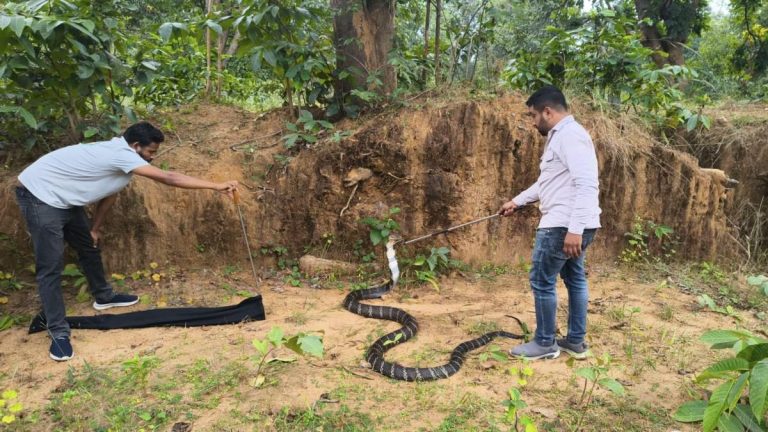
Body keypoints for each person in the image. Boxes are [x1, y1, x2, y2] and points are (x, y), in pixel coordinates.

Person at [15, 121, 239, 361]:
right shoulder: (121, 155)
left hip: (65, 198)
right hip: (40, 196)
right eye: (151, 151)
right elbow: (169, 178)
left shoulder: (124, 162)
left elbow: (109, 194)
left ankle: (104, 297)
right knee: (50, 267)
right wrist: (215, 186)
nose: (153, 157)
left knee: (88, 244)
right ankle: (58, 332)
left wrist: (95, 228)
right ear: (136, 146)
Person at [499, 86, 601, 360]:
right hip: (570, 224)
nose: (533, 123)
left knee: (542, 280)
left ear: (547, 112)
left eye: (533, 116)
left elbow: (586, 184)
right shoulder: (562, 137)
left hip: (563, 226)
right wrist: (517, 201)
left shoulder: (570, 136)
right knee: (574, 278)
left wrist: (575, 230)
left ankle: (545, 343)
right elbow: (548, 182)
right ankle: (575, 342)